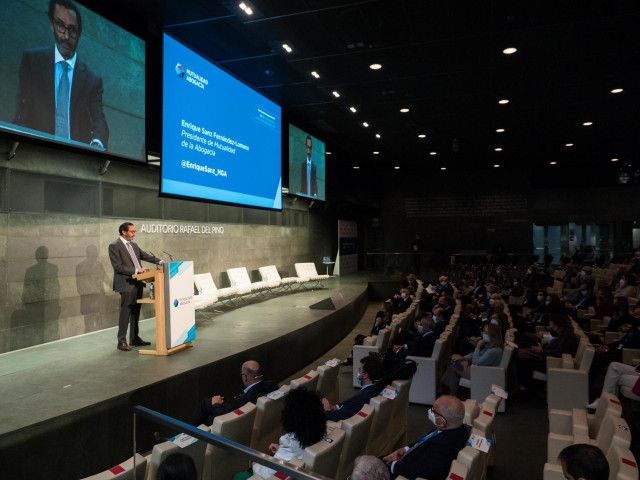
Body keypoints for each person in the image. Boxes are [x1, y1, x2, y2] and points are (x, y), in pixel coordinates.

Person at [14, 0, 109, 148]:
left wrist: (96, 145)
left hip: (76, 160)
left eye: (72, 30)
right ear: (52, 25)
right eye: (60, 26)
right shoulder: (32, 61)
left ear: (79, 34)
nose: (66, 36)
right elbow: (22, 113)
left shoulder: (93, 80)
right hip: (36, 152)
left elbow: (99, 122)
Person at [244, 388, 326, 480]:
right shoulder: (318, 435)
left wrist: (255, 464)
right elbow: (298, 452)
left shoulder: (288, 441)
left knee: (239, 476)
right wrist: (281, 450)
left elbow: (266, 474)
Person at [382, 395, 469, 480]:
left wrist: (392, 465)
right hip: (408, 458)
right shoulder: (458, 429)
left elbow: (419, 472)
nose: (430, 412)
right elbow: (425, 441)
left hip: (402, 471)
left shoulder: (443, 447)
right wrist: (406, 449)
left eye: (433, 411)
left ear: (442, 421)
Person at [108, 222, 163, 351]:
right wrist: (137, 271)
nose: (134, 234)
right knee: (125, 313)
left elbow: (145, 256)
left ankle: (134, 338)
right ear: (124, 232)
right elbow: (118, 266)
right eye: (132, 231)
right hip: (126, 283)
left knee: (135, 312)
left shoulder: (134, 245)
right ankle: (121, 341)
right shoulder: (114, 246)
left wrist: (160, 261)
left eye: (134, 231)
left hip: (138, 282)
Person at [188, 360, 278, 427]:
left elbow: (226, 416)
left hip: (238, 417)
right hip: (245, 412)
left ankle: (186, 433)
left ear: (245, 377)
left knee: (206, 406)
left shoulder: (244, 399)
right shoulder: (272, 385)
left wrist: (216, 404)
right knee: (206, 403)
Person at [440, 323, 504, 394]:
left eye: (486, 333)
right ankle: (451, 391)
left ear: (492, 335)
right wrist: (463, 358)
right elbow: (475, 355)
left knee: (452, 361)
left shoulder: (493, 351)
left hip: (481, 373)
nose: (483, 334)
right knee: (455, 359)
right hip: (479, 369)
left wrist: (478, 347)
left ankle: (449, 390)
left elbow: (475, 362)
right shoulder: (490, 346)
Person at [324, 355, 384, 421]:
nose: (358, 373)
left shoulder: (360, 398)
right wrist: (335, 407)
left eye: (360, 370)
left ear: (366, 375)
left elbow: (339, 416)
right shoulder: (378, 386)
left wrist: (326, 411)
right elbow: (351, 401)